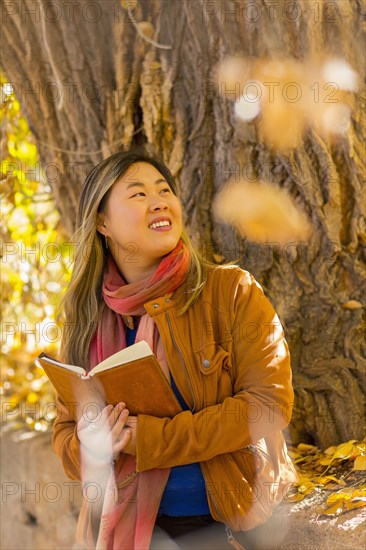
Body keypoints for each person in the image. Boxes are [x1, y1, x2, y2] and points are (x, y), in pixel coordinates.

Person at [52, 149, 298, 550]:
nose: (159, 200)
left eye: (164, 189)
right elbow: (64, 436)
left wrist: (151, 438)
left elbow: (268, 404)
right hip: (126, 531)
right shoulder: (87, 317)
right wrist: (93, 444)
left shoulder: (230, 291)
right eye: (138, 194)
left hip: (224, 525)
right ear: (102, 222)